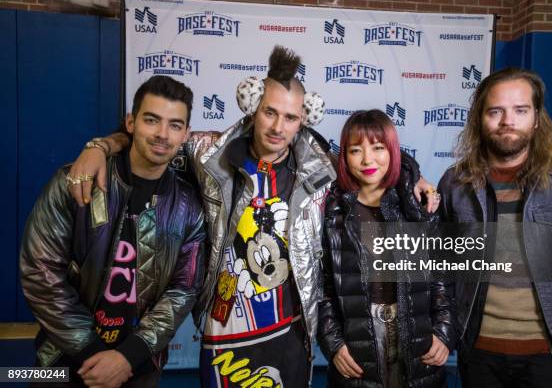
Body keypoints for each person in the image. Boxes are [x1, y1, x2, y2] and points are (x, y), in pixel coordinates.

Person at [66, 46, 437, 386]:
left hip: (289, 327)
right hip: (224, 323)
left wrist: (414, 176)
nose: (278, 127)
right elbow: (158, 139)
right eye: (270, 112)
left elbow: (371, 163)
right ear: (252, 106)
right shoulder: (207, 152)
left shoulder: (320, 166)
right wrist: (99, 146)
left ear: (303, 119)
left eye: (290, 117)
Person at [20, 75, 206, 387]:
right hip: (60, 361)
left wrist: (127, 357)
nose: (163, 134)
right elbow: (40, 272)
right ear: (130, 123)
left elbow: (183, 290)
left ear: (186, 133)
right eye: (151, 120)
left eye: (175, 125)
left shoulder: (189, 208)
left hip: (136, 368)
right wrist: (93, 352)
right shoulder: (75, 180)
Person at [438, 67, 552, 387]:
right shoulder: (455, 183)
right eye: (496, 111)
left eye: (520, 110)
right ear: (480, 119)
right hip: (478, 349)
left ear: (537, 118)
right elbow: (443, 264)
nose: (508, 121)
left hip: (548, 351)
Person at [317, 110, 455, 388]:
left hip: (416, 346)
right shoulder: (332, 210)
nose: (367, 159)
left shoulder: (416, 204)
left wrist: (443, 333)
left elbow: (442, 277)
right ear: (344, 156)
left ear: (392, 151)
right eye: (356, 150)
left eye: (378, 148)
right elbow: (323, 287)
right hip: (360, 350)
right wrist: (333, 343)